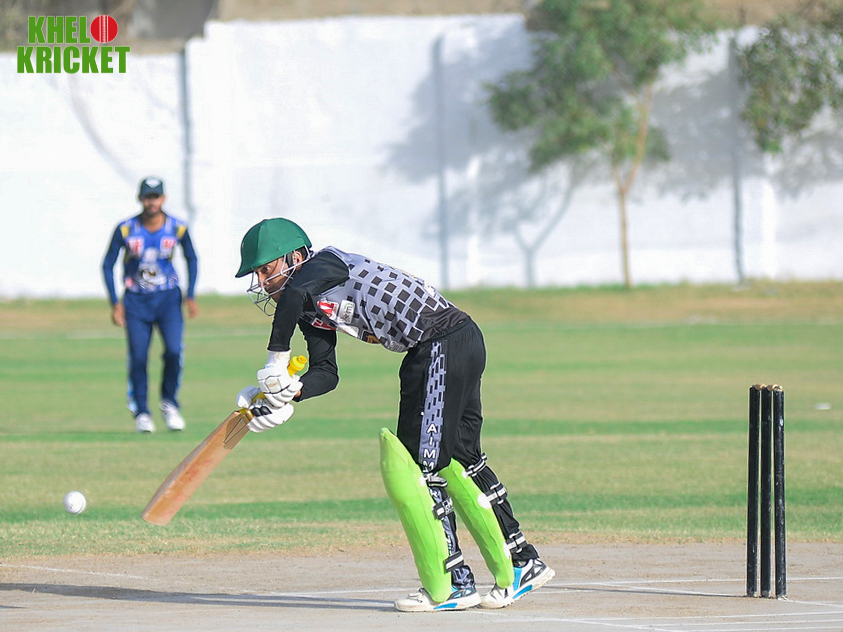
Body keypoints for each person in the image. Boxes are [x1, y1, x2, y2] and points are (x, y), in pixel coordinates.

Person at [233, 217, 554, 612]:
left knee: (421, 465)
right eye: (257, 275)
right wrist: (288, 394)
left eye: (266, 270)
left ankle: (456, 583)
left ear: (295, 257)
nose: (263, 282)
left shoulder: (325, 264)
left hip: (439, 343)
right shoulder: (307, 305)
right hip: (452, 343)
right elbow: (326, 373)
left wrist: (275, 362)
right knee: (464, 457)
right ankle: (525, 561)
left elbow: (295, 292)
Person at [102, 176, 199, 434]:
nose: (151, 202)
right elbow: (107, 264)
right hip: (136, 301)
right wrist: (115, 303)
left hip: (168, 299)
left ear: (163, 199)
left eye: (156, 197)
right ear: (140, 198)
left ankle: (170, 403)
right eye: (147, 197)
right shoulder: (126, 229)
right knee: (138, 356)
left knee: (174, 351)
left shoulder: (177, 227)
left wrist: (190, 295)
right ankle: (142, 411)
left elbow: (192, 257)